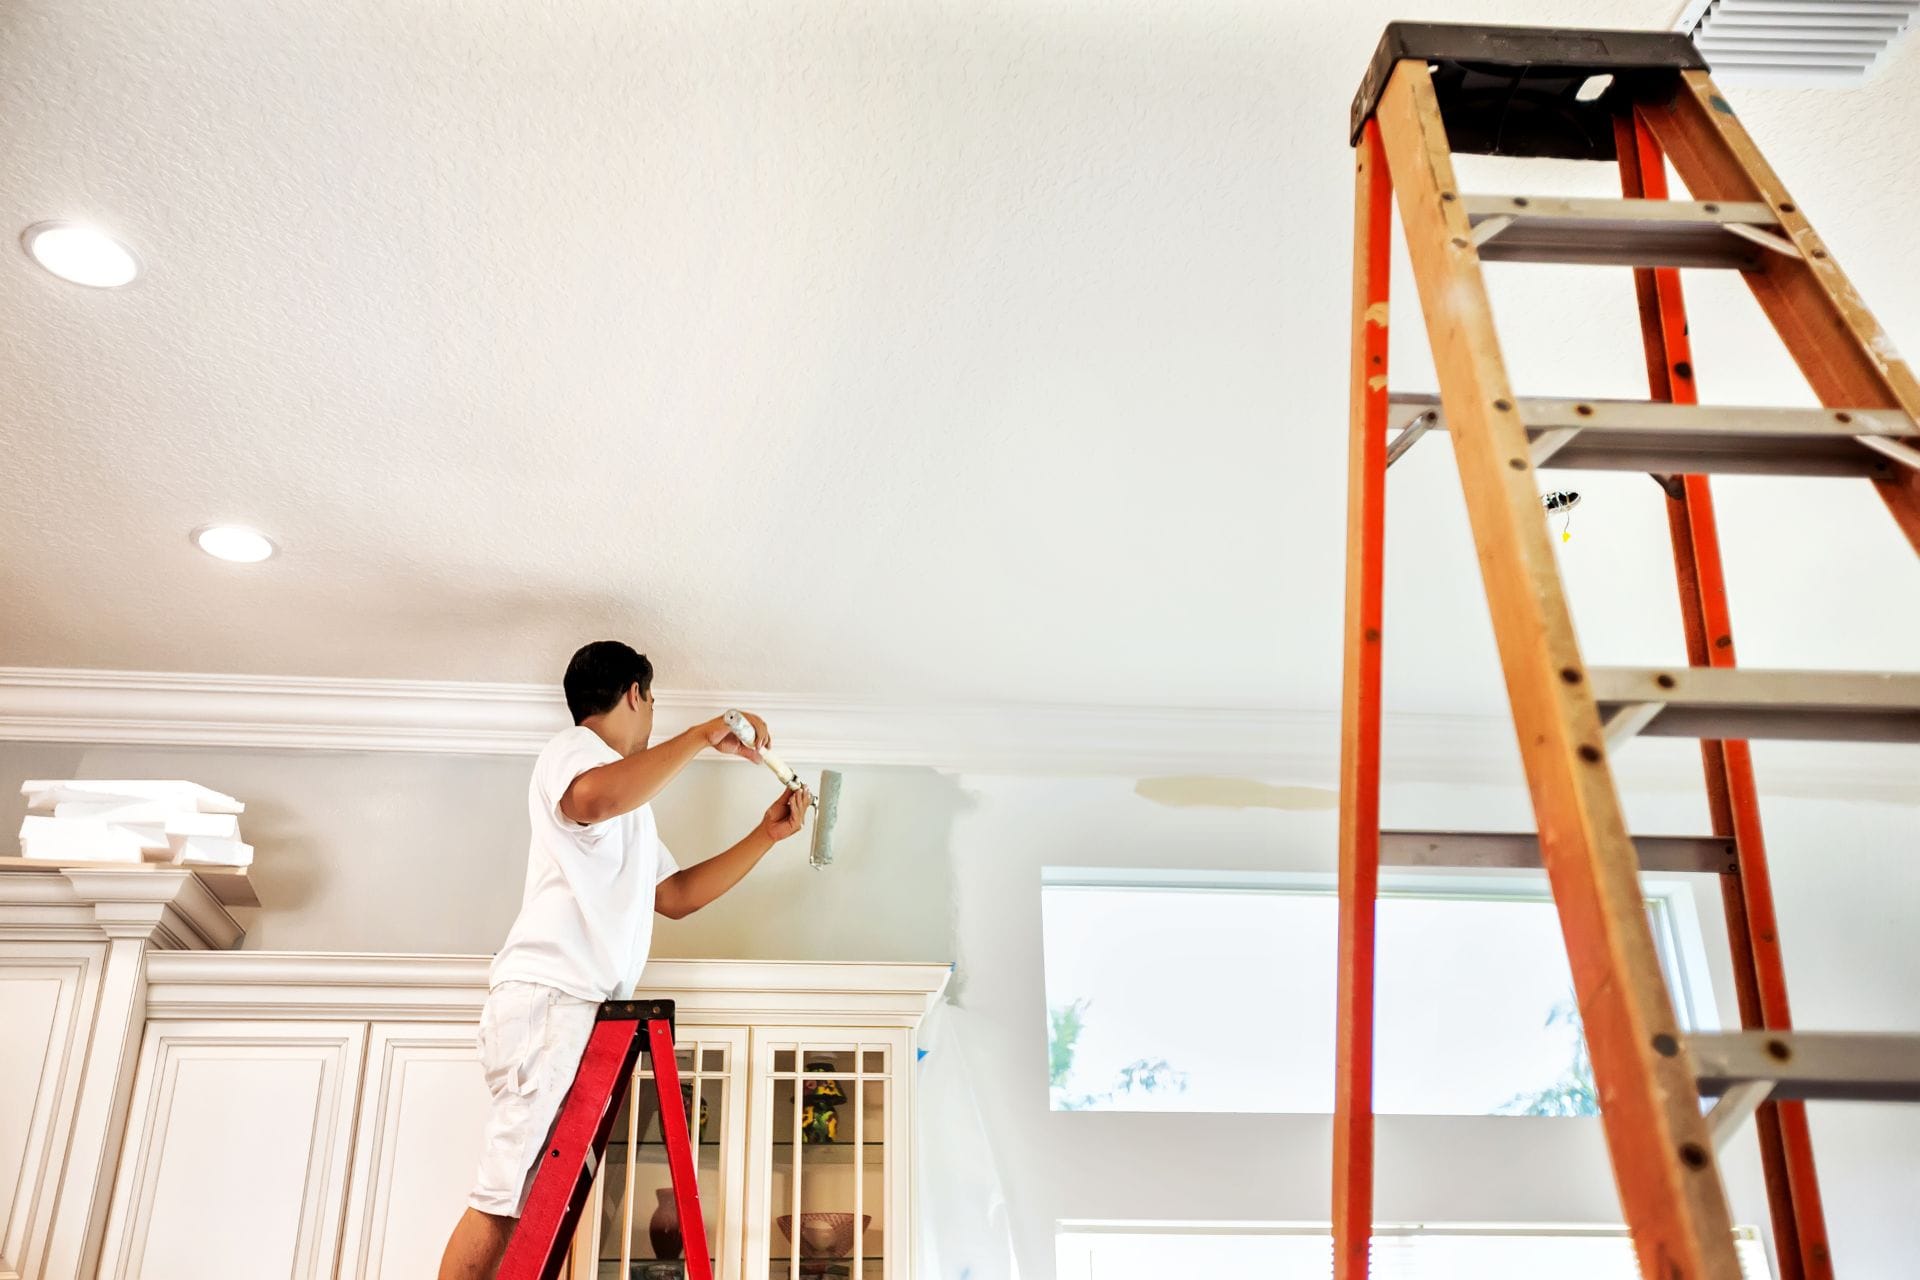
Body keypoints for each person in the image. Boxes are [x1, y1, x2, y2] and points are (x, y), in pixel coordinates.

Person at [438, 640, 811, 1279]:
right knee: (503, 1201)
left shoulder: (631, 813)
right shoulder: (576, 750)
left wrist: (766, 836)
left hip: (573, 1004)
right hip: (550, 994)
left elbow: (676, 896)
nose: (653, 719)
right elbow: (594, 800)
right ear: (635, 692)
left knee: (529, 1207)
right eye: (654, 703)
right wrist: (702, 733)